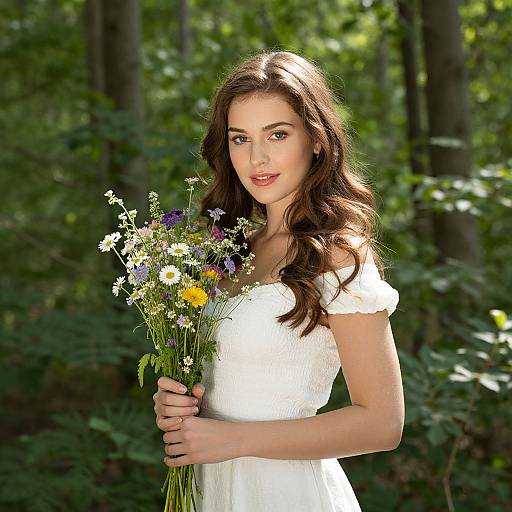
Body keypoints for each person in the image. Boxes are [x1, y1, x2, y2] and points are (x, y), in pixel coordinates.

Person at [153, 49, 404, 511]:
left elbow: (383, 425)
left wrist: (233, 440)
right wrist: (179, 407)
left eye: (278, 134)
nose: (257, 157)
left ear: (316, 139)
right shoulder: (229, 252)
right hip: (210, 489)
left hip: (286, 493)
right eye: (240, 138)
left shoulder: (336, 254)